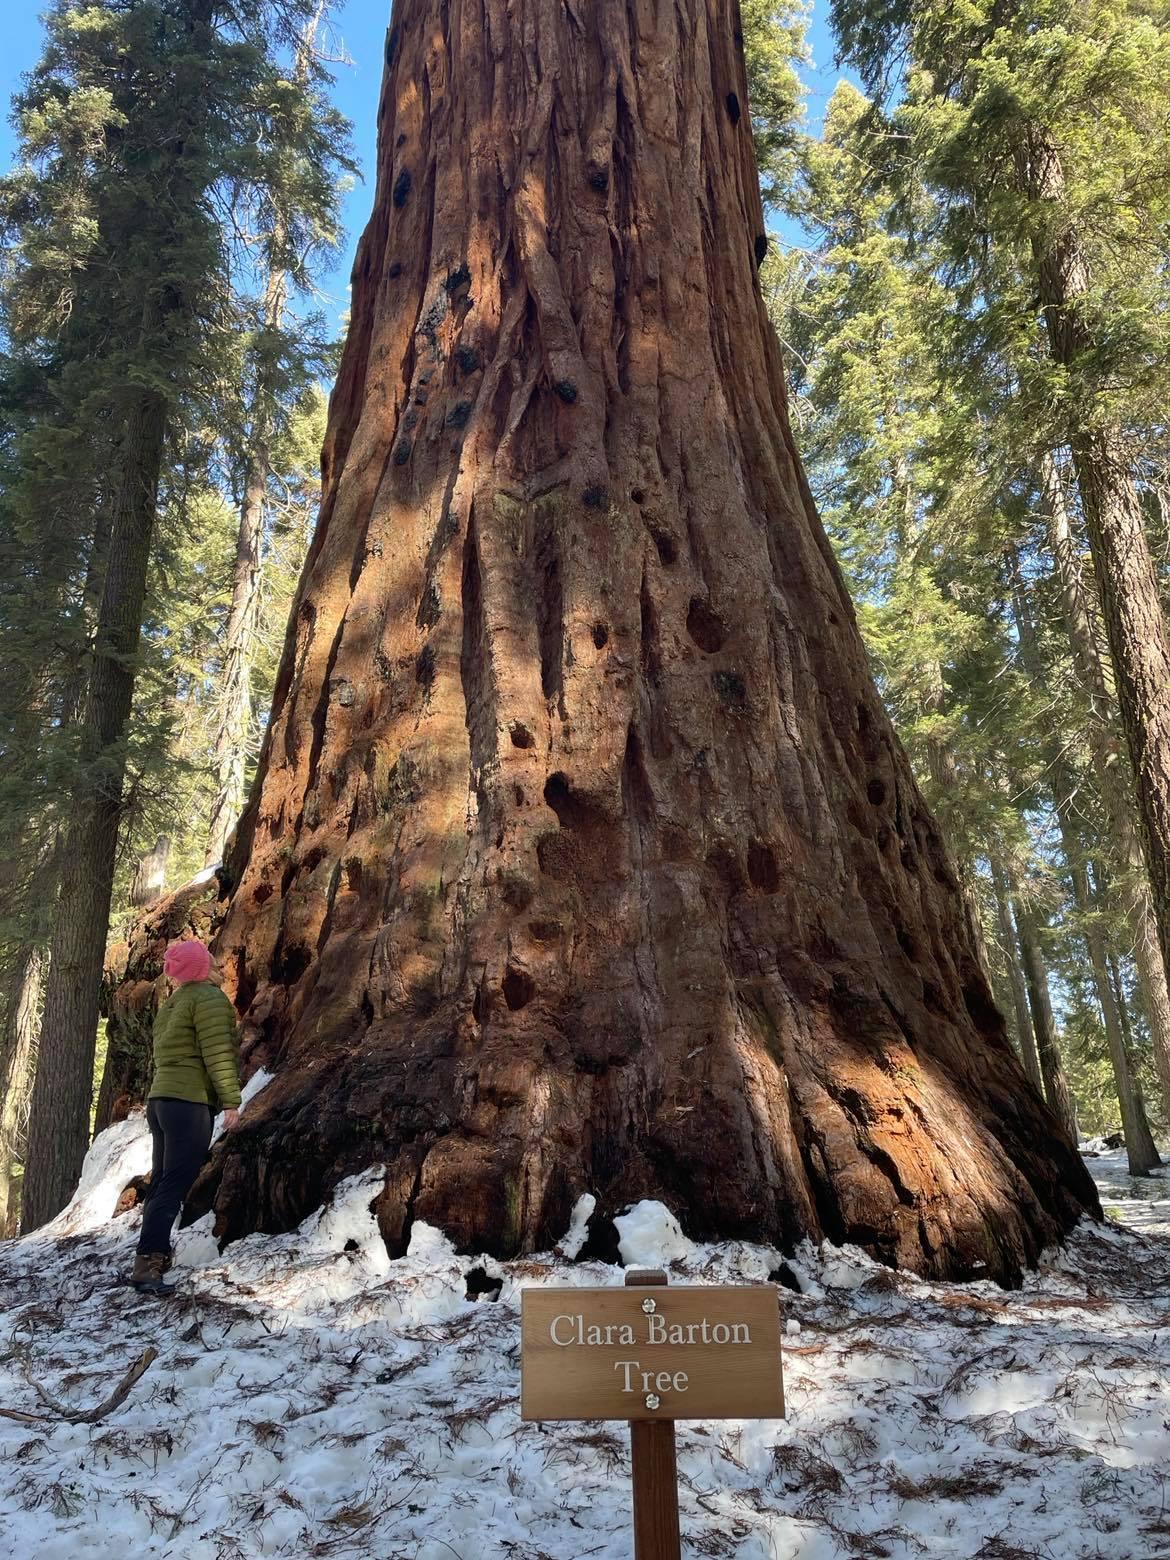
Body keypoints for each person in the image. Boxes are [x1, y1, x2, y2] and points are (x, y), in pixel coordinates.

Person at [131, 938, 242, 1293]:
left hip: (161, 1101)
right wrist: (231, 1101)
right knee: (174, 1183)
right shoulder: (208, 1000)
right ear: (200, 968)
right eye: (211, 959)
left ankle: (154, 1256)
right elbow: (218, 1054)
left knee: (163, 1180)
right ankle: (148, 1265)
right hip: (189, 1102)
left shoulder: (174, 1002)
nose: (218, 964)